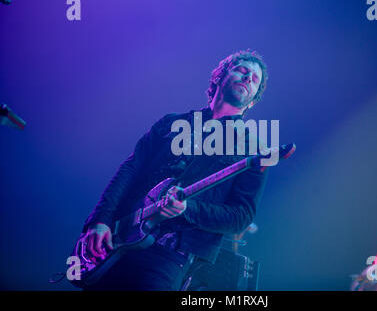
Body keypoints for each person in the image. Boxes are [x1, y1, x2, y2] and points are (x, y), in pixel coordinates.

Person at [81, 49, 270, 290]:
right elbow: (129, 170)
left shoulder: (253, 149)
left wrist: (188, 209)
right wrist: (100, 220)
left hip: (169, 257)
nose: (247, 78)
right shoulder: (171, 123)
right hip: (116, 238)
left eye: (254, 80)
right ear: (219, 77)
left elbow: (241, 217)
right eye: (242, 70)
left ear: (253, 101)